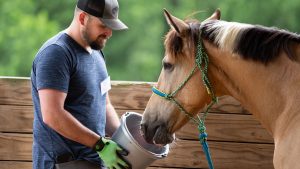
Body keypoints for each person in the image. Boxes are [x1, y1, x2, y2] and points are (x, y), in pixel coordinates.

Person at [30, 0, 130, 168]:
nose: (109, 33)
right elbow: (52, 115)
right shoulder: (56, 53)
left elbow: (104, 104)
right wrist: (100, 145)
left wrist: (125, 141)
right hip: (62, 164)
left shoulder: (97, 53)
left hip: (93, 162)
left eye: (111, 26)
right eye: (103, 25)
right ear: (83, 18)